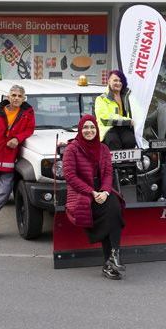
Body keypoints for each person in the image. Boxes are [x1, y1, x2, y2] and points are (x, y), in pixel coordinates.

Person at [63, 115, 126, 280]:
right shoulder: (72, 149)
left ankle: (113, 257)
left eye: (92, 127)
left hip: (102, 190)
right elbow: (70, 176)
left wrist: (105, 191)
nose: (89, 131)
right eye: (85, 127)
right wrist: (92, 192)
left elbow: (108, 173)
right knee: (107, 215)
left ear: (96, 129)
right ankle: (110, 262)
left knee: (114, 207)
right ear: (80, 129)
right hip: (82, 192)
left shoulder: (103, 149)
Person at [0, 85, 35, 240]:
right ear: (8, 97)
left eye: (19, 96)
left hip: (9, 158)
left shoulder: (28, 113)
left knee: (3, 194)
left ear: (24, 98)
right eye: (13, 95)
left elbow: (29, 129)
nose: (16, 98)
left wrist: (17, 138)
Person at [95, 70, 137, 150]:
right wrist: (127, 121)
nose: (118, 83)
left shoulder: (127, 98)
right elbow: (105, 119)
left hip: (124, 128)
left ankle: (128, 162)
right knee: (114, 142)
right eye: (115, 80)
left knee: (130, 141)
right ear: (109, 81)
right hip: (109, 129)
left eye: (120, 80)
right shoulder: (101, 99)